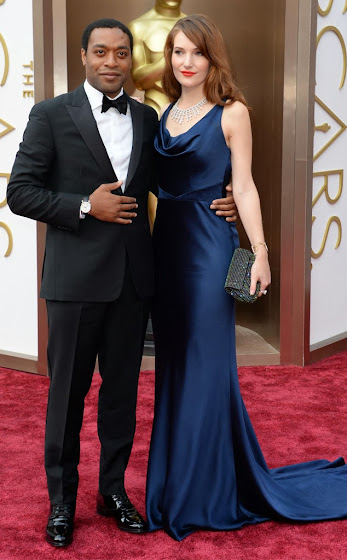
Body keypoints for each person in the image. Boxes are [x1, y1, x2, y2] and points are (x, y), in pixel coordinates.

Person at [7, 18, 236, 548]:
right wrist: (87, 205)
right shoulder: (49, 115)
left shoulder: (146, 115)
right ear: (84, 55)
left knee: (122, 397)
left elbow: (171, 179)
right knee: (66, 396)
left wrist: (218, 195)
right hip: (74, 284)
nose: (112, 62)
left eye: (122, 53)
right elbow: (21, 192)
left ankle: (111, 492)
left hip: (135, 281)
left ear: (131, 59)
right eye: (102, 52)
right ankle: (62, 502)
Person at [145, 14, 347, 541]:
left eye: (195, 53)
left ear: (212, 57)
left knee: (206, 363)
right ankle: (178, 481)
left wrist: (260, 252)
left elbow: (247, 186)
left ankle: (202, 490)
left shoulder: (233, 113)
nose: (185, 62)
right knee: (174, 365)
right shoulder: (164, 113)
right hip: (167, 250)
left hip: (210, 250)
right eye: (177, 53)